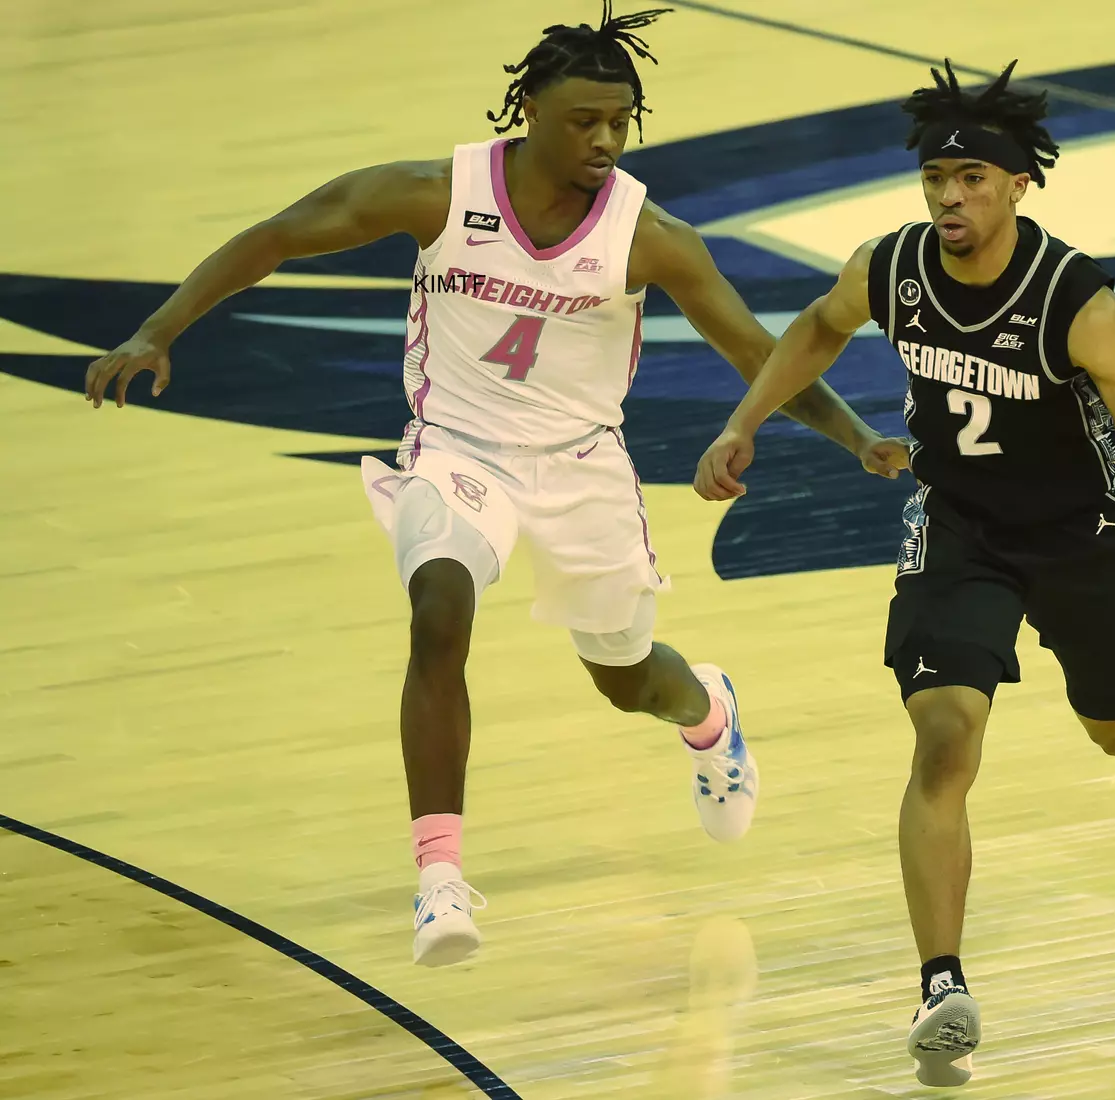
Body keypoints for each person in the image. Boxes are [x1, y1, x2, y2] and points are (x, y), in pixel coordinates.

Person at [82, 3, 907, 970]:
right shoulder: (438, 192)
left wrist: (855, 437)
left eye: (620, 122)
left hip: (583, 466)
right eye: (583, 121)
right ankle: (440, 880)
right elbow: (277, 236)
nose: (604, 140)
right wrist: (159, 328)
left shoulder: (653, 236)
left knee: (628, 679)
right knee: (439, 610)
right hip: (456, 448)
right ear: (530, 110)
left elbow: (756, 352)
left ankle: (709, 714)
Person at [694, 60, 1115, 1087]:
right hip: (960, 530)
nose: (949, 196)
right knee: (945, 735)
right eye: (936, 178)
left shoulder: (1076, 302)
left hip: (1084, 539)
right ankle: (940, 982)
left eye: (972, 179)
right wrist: (742, 422)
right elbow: (815, 325)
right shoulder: (889, 268)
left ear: (1018, 185)